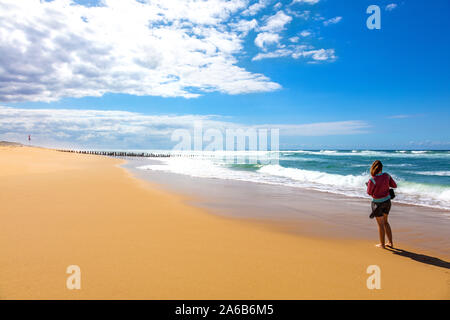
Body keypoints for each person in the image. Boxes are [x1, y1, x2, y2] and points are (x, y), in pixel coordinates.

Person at [366, 160, 397, 249]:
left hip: (377, 203)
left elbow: (369, 192)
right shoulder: (387, 175)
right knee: (386, 222)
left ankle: (382, 244)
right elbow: (394, 186)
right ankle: (390, 243)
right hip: (387, 202)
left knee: (380, 224)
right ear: (381, 168)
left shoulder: (372, 179)